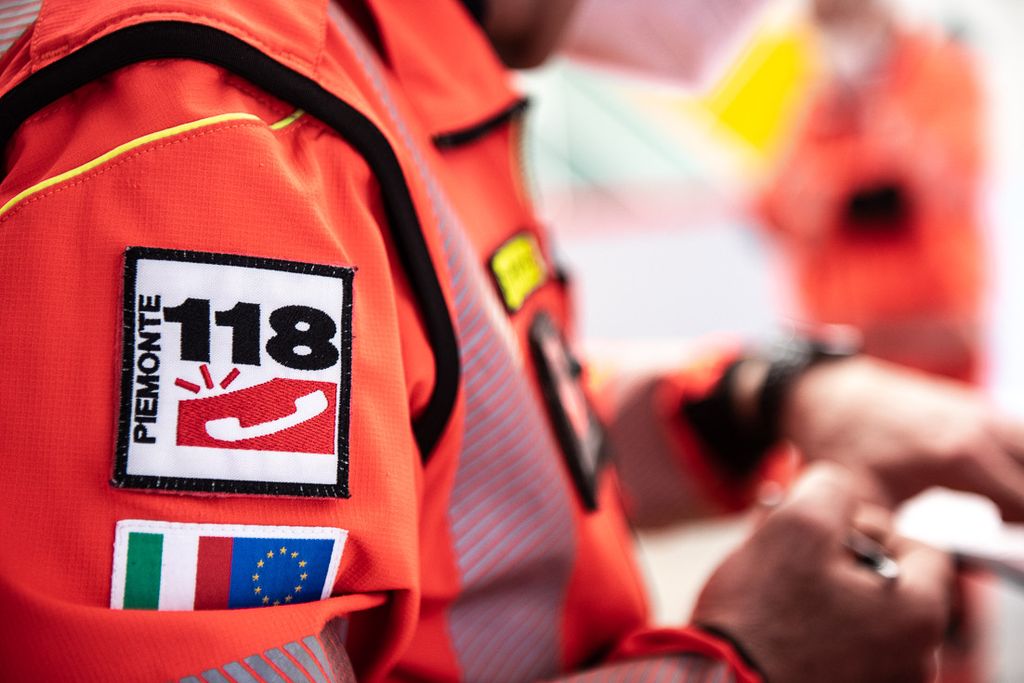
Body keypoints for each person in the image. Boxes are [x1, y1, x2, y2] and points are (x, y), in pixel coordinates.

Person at [0, 1, 1023, 681]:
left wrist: (768, 394)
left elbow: (449, 439)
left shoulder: (372, 71)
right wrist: (742, 663)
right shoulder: (221, 117)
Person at [760, 0, 987, 382]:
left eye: (847, 13)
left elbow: (949, 183)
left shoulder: (939, 70)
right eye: (826, 19)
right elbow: (771, 205)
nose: (838, 30)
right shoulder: (807, 96)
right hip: (839, 341)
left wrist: (881, 132)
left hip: (935, 337)